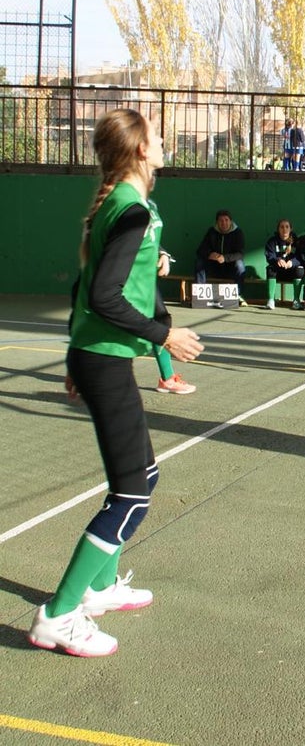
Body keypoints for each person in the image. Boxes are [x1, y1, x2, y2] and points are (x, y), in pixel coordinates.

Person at [28, 109, 204, 657]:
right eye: (155, 135)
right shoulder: (131, 213)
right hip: (103, 358)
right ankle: (58, 615)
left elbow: (91, 284)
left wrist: (73, 357)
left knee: (141, 475)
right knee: (133, 492)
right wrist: (164, 337)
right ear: (138, 152)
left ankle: (100, 587)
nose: (163, 141)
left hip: (95, 356)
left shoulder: (127, 207)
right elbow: (104, 294)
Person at [154, 248, 196, 394]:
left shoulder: (150, 226)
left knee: (162, 320)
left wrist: (163, 254)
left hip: (143, 281)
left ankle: (167, 378)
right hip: (121, 282)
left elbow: (148, 237)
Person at [194, 209, 246, 293]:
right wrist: (209, 254)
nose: (224, 223)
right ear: (217, 222)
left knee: (240, 265)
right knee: (199, 262)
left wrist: (224, 258)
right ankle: (200, 294)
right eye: (221, 220)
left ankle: (238, 295)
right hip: (214, 267)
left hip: (230, 268)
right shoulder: (211, 232)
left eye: (226, 220)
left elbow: (240, 254)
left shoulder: (238, 233)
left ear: (231, 221)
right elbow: (200, 250)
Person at [263, 219, 302, 310]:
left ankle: (296, 300)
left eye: (287, 227)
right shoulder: (272, 241)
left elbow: (300, 257)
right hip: (278, 272)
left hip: (291, 272)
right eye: (282, 227)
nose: (284, 229)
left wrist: (292, 263)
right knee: (270, 269)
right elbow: (269, 256)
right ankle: (271, 300)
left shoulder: (297, 242)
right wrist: (277, 260)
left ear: (291, 229)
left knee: (300, 269)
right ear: (278, 229)